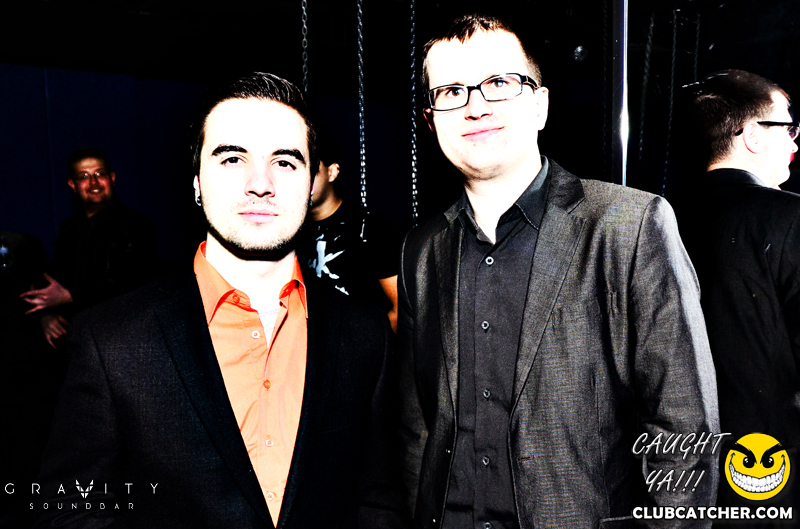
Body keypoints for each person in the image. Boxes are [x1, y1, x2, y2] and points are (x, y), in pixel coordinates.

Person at [34, 73, 409, 529]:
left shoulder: (365, 334)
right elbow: (68, 510)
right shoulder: (112, 341)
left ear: (312, 182)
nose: (260, 183)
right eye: (232, 158)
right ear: (196, 182)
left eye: (285, 162)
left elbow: (377, 502)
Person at [397, 14, 720, 528]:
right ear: (432, 119)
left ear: (540, 105)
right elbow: (419, 425)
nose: (476, 106)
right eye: (452, 91)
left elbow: (684, 430)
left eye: (498, 83)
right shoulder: (422, 249)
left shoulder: (629, 225)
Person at [678, 69, 800, 522]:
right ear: (751, 135)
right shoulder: (789, 217)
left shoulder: (658, 219)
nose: (795, 139)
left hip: (678, 474)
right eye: (788, 126)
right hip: (774, 475)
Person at [19, 148, 159, 348]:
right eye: (84, 176)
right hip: (80, 337)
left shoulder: (137, 225)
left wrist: (70, 295)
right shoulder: (70, 228)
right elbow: (51, 278)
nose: (94, 183)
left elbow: (132, 284)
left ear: (111, 178)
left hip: (124, 338)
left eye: (99, 174)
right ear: (73, 185)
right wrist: (46, 315)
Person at [297, 126, 401, 331]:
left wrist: (366, 345)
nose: (304, 182)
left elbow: (401, 309)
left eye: (312, 172)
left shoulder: (371, 228)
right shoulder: (291, 230)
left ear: (332, 172)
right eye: (297, 171)